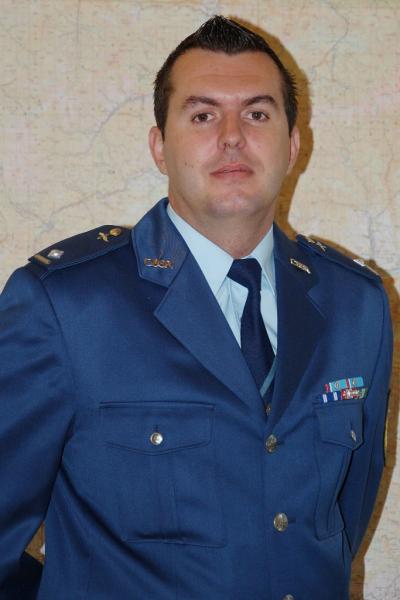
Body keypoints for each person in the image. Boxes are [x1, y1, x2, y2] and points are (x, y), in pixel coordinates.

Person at [0, 15, 393, 600]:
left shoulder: (356, 305)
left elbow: (341, 517)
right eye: (203, 115)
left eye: (257, 114)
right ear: (160, 146)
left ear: (292, 145)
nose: (232, 136)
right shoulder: (65, 305)